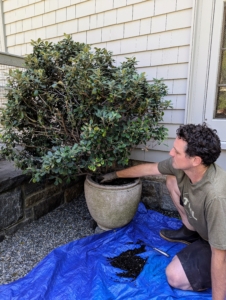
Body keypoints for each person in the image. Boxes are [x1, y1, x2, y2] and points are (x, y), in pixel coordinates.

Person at [101, 123, 226, 300]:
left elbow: (220, 256)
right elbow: (149, 169)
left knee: (174, 276)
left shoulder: (216, 197)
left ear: (195, 160)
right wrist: (115, 175)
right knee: (170, 179)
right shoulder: (183, 168)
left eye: (176, 151)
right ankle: (190, 232)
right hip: (209, 233)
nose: (170, 153)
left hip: (221, 245)